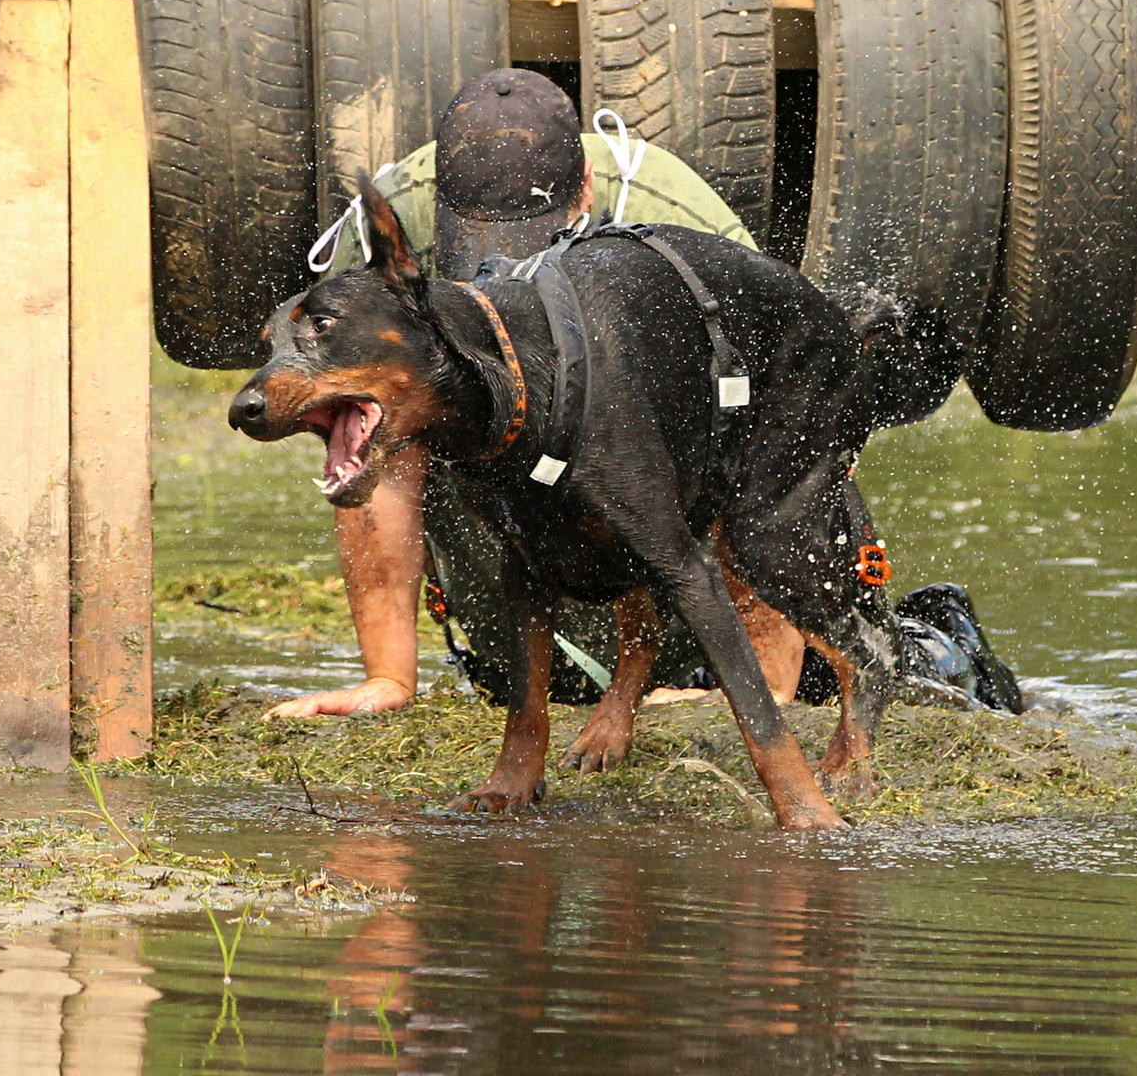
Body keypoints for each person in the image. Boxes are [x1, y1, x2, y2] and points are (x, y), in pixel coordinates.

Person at [269, 68, 804, 719]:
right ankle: (466, 667)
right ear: (439, 200)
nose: (505, 269)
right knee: (393, 417)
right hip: (502, 452)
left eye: (529, 243)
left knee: (732, 429)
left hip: (670, 458)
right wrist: (388, 679)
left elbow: (780, 432)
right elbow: (365, 441)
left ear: (586, 191)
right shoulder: (392, 229)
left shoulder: (679, 220)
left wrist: (769, 683)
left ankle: (744, 672)